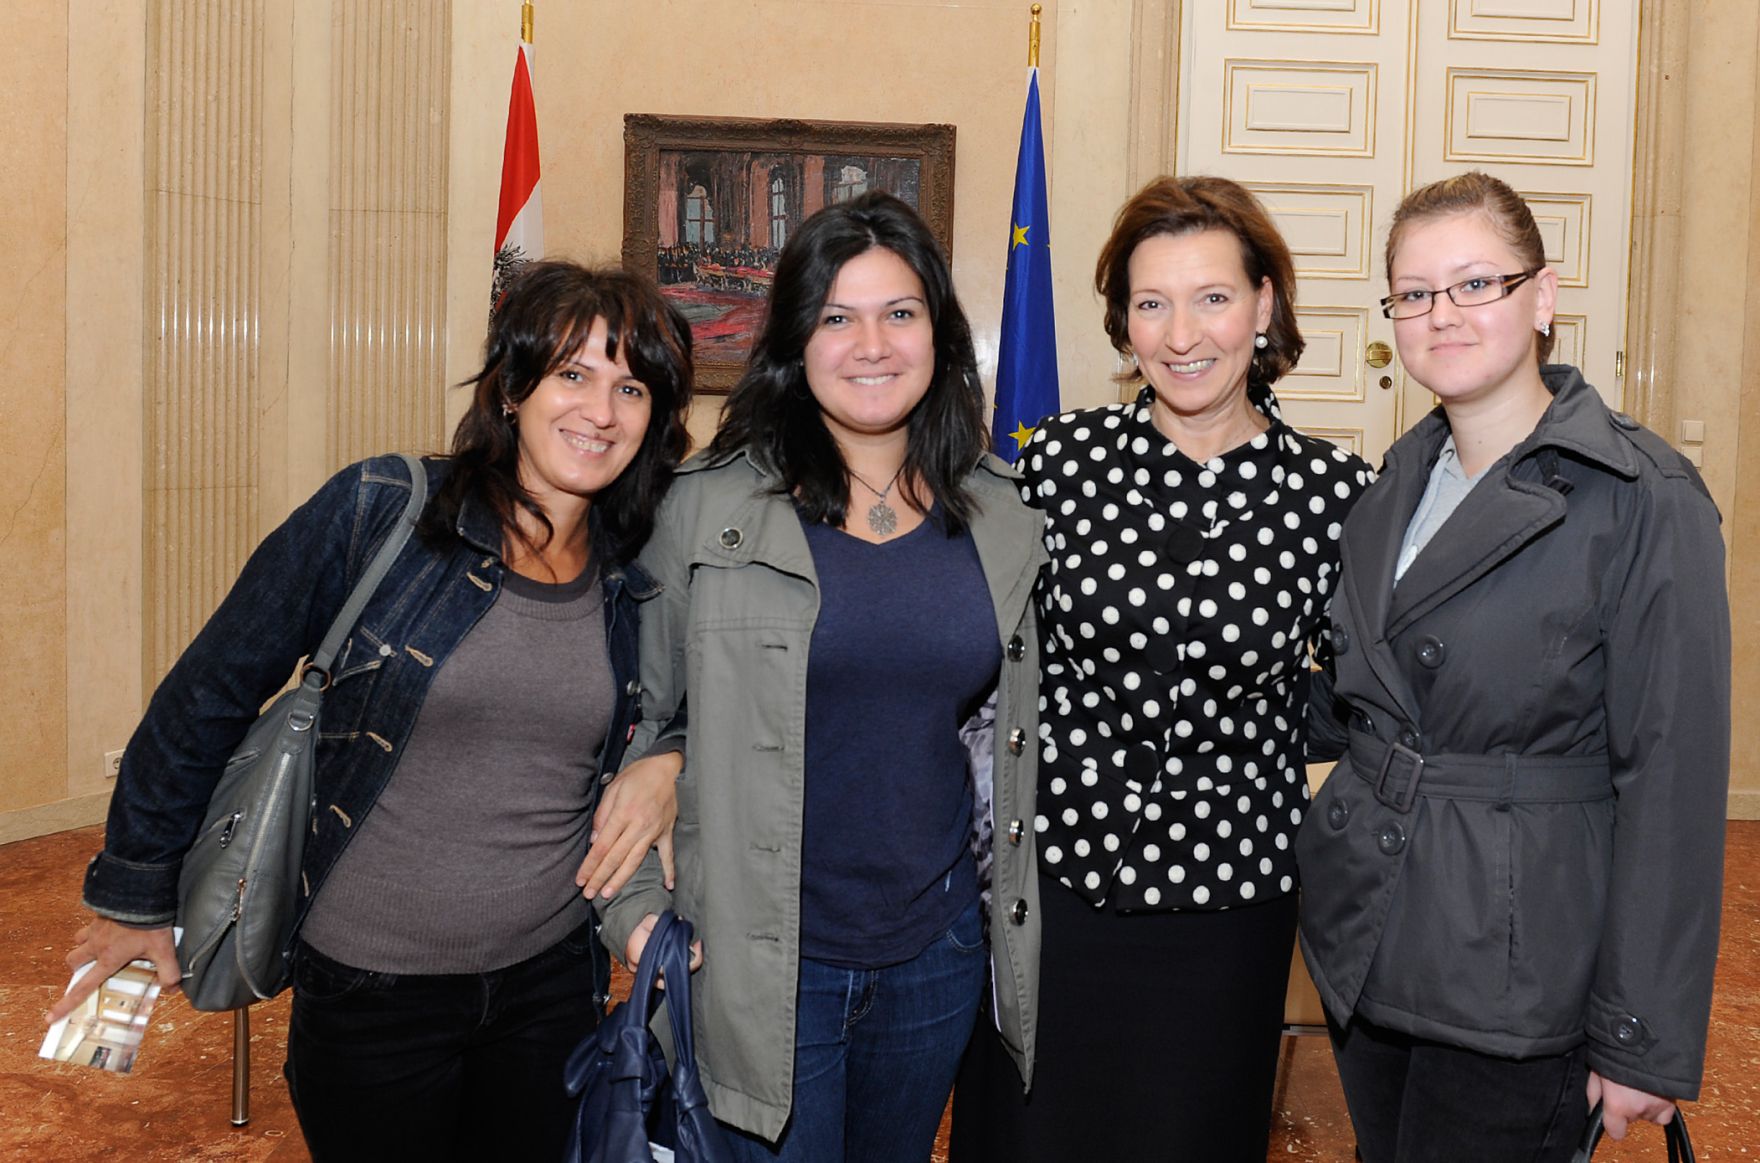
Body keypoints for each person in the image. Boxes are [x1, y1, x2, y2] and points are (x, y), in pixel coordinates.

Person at [49, 262, 696, 1162]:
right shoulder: (383, 509)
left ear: (655, 420)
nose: (600, 410)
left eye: (631, 387)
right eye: (572, 374)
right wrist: (134, 894)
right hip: (373, 992)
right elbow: (207, 694)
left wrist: (667, 759)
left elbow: (694, 708)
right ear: (512, 387)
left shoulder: (638, 571)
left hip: (554, 983)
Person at [596, 190, 1047, 1162]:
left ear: (938, 331)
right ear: (795, 342)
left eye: (898, 312)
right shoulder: (699, 514)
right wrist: (635, 921)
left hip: (935, 956)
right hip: (755, 961)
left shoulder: (1004, 517)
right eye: (835, 316)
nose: (870, 343)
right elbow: (625, 726)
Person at [1297, 171, 1731, 1161]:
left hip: (1518, 961)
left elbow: (1670, 781)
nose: (1439, 314)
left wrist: (1639, 1039)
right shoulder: (1389, 485)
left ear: (1542, 297)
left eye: (1473, 283)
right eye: (1413, 293)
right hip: (1370, 933)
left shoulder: (1642, 497)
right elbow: (1364, 693)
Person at [952, 175, 1374, 1161]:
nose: (1182, 333)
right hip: (1052, 896)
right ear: (1122, 322)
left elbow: (1365, 691)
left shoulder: (1336, 492)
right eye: (1151, 302)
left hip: (1228, 908)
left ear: (1264, 304)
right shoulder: (1055, 464)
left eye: (1212, 297)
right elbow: (978, 651)